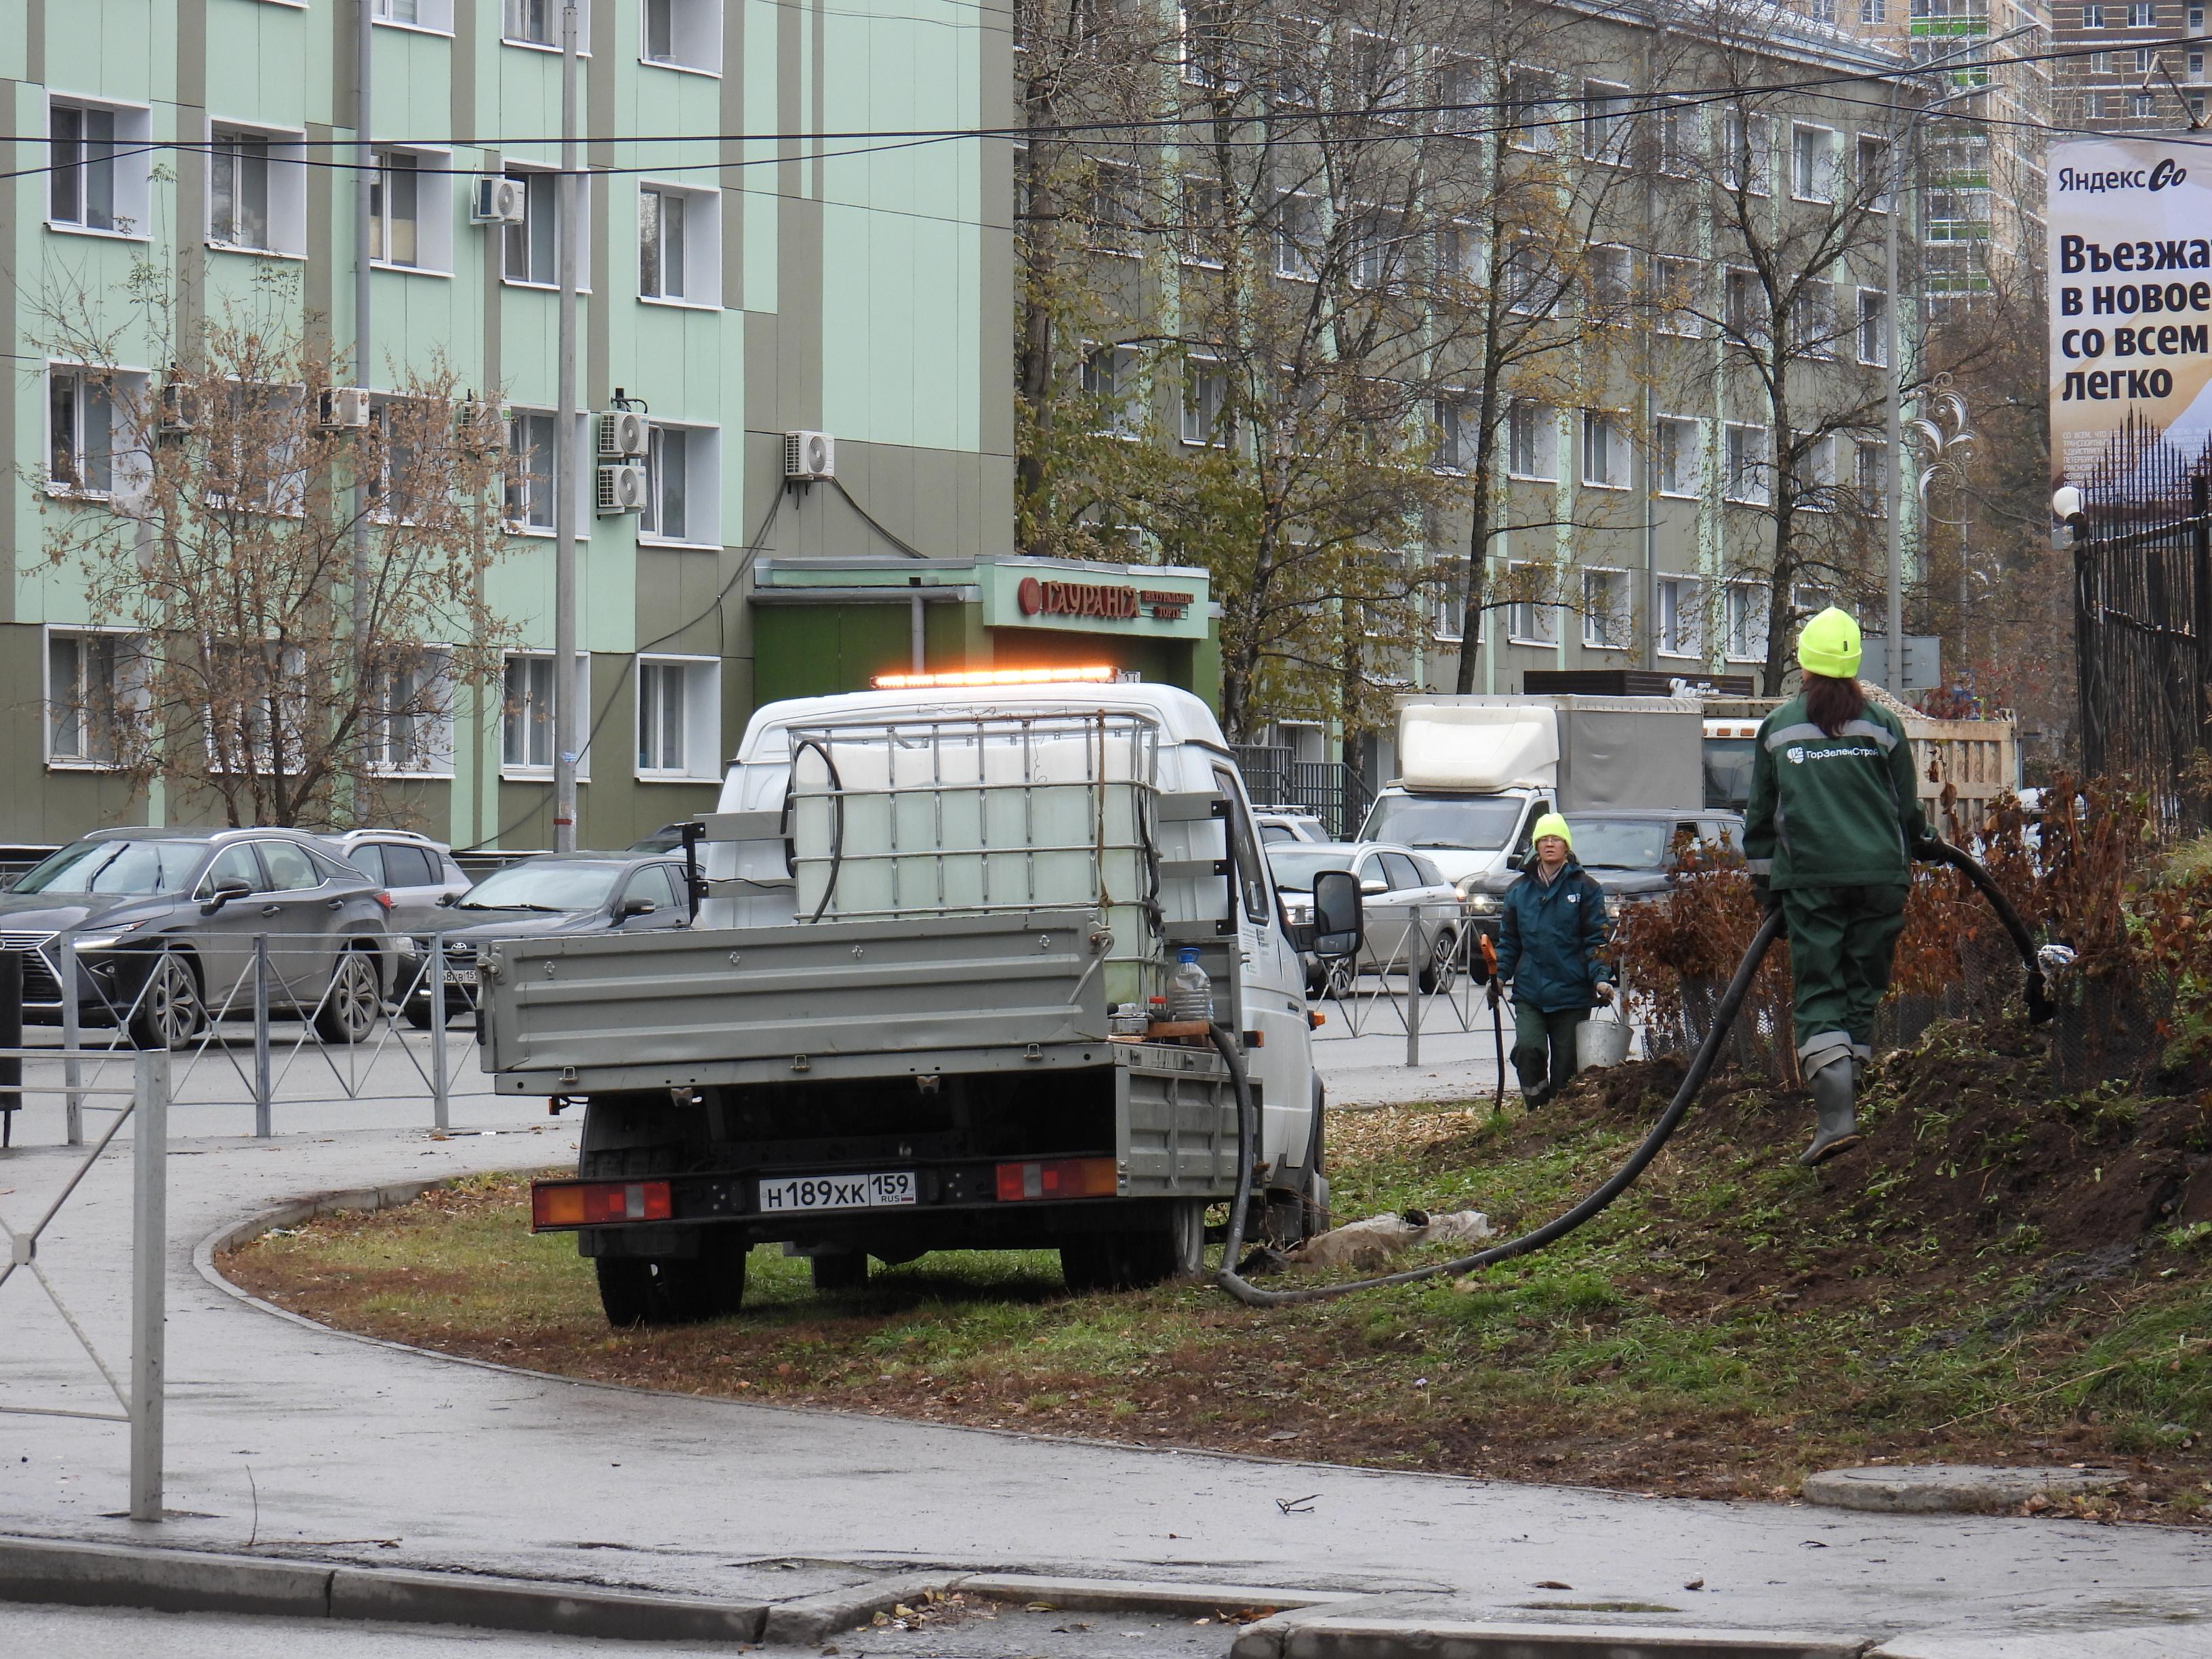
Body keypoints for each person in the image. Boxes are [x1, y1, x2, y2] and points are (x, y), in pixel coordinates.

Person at [1744, 605, 1940, 1166]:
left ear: (1804, 664)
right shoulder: (1883, 726)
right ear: (1856, 663)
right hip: (1882, 880)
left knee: (1819, 993)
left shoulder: (1780, 729)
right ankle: (1849, 1101)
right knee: (1860, 989)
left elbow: (1760, 823)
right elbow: (1907, 812)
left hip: (1812, 884)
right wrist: (1924, 843)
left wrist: (1768, 900)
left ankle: (1835, 1120)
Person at [1488, 813, 1614, 1108]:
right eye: (1543, 839)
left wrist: (1601, 979)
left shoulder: (1586, 889)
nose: (1549, 844)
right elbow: (1509, 942)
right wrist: (1499, 977)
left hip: (1571, 993)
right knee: (1528, 1049)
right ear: (1536, 847)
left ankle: (1560, 1118)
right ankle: (1537, 1109)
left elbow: (1596, 940)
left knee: (1566, 1065)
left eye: (1555, 838)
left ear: (1566, 846)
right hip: (1531, 993)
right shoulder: (1519, 891)